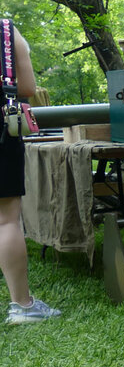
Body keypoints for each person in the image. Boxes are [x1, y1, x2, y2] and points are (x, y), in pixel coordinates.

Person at [0, 20, 61, 325]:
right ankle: (23, 307)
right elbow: (26, 88)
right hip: (2, 130)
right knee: (6, 219)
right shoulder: (6, 30)